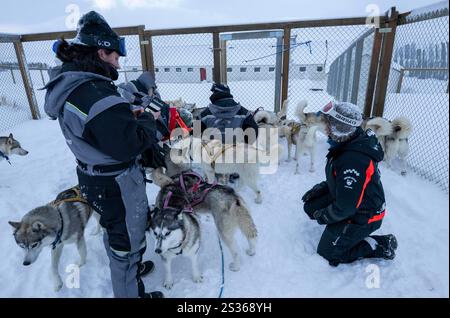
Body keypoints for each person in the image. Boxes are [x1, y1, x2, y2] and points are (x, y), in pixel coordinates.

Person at [43, 11, 164, 298]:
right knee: (128, 242)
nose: (118, 63)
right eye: (115, 56)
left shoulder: (70, 85)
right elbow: (130, 143)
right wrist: (148, 118)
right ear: (101, 52)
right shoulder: (96, 93)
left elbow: (98, 129)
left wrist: (122, 118)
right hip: (117, 184)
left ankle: (128, 272)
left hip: (91, 175)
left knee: (115, 231)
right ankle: (129, 286)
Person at [302, 101, 398, 267]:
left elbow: (347, 206)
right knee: (311, 207)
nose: (324, 128)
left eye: (327, 124)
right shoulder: (349, 141)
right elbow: (344, 181)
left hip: (366, 213)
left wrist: (326, 216)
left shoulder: (353, 160)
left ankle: (380, 245)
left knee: (328, 253)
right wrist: (325, 187)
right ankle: (341, 227)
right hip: (353, 198)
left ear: (339, 128)